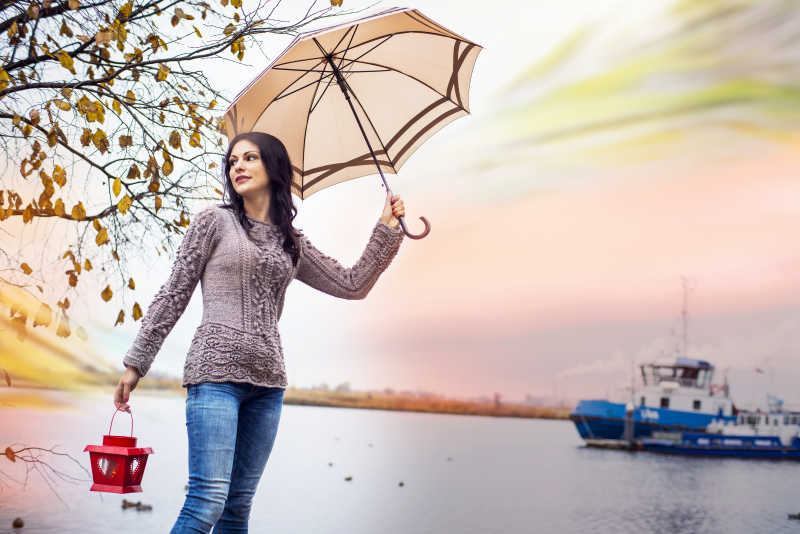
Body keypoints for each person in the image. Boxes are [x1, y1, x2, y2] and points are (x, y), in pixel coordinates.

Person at [113, 131, 405, 533]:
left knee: (237, 509)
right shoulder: (214, 222)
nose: (238, 167)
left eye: (249, 158)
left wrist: (387, 229)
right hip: (214, 377)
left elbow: (352, 284)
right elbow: (174, 291)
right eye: (233, 161)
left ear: (274, 167)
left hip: (268, 385)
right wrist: (136, 363)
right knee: (207, 501)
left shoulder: (292, 243)